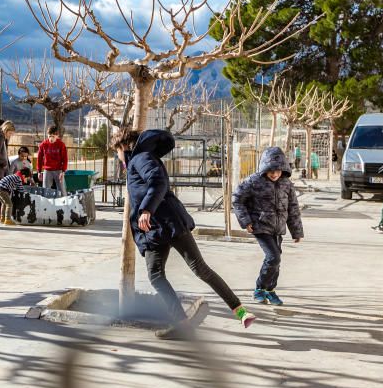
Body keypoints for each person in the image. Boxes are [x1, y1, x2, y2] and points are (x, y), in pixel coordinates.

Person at [114, 128, 254, 339]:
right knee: (188, 271)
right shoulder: (143, 158)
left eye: (117, 152)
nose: (117, 157)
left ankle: (194, 322)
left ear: (124, 147)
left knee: (167, 274)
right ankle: (230, 314)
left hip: (162, 224)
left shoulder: (140, 158)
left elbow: (158, 182)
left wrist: (146, 210)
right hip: (160, 226)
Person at [232, 147, 304, 306]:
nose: (274, 174)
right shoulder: (253, 181)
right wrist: (246, 221)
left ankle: (270, 291)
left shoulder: (287, 184)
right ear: (264, 168)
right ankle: (259, 288)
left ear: (283, 168)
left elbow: (293, 207)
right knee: (273, 257)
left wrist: (296, 231)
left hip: (278, 228)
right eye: (270, 170)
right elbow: (237, 199)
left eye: (278, 170)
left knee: (276, 261)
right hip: (260, 226)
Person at [37, 125, 68, 194]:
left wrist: (63, 172)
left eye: (53, 136)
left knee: (62, 190)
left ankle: (64, 204)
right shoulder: (43, 145)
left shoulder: (61, 145)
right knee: (45, 190)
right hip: (47, 170)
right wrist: (39, 171)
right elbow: (39, 158)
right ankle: (46, 204)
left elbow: (65, 159)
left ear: (57, 136)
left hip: (58, 170)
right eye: (49, 136)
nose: (51, 138)